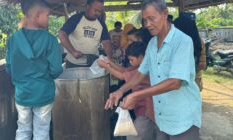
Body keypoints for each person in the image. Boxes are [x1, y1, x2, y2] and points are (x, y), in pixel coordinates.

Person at [104, 0, 201, 140]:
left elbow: (175, 82)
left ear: (165, 14)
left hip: (182, 118)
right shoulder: (151, 44)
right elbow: (140, 73)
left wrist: (136, 95)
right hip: (161, 117)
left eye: (151, 18)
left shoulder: (182, 41)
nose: (147, 24)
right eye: (144, 20)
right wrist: (121, 91)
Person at [5, 0, 63, 140]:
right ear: (38, 15)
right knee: (41, 131)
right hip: (43, 93)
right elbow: (56, 69)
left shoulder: (13, 39)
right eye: (47, 15)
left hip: (22, 93)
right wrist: (45, 77)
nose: (48, 19)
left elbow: (9, 67)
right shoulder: (50, 40)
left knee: (23, 129)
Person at [99, 42, 163, 140]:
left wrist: (107, 67)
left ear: (141, 58)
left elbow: (121, 75)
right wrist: (109, 62)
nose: (130, 62)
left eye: (132, 60)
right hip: (145, 110)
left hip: (147, 111)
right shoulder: (137, 67)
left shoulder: (145, 71)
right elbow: (124, 70)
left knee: (135, 136)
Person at [59, 0, 111, 68]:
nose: (97, 13)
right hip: (73, 63)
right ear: (87, 7)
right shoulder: (76, 19)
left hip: (93, 63)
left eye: (100, 11)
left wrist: (109, 57)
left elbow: (106, 41)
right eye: (95, 10)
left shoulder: (101, 24)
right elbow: (62, 34)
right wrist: (73, 52)